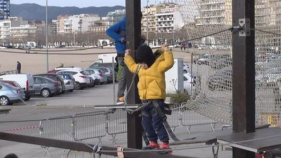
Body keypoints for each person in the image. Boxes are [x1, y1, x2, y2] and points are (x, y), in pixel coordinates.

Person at [124, 44, 174, 153]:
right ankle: (153, 142)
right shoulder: (140, 68)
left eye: (144, 63)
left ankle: (165, 143)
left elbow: (169, 63)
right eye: (140, 63)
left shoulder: (158, 66)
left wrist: (167, 51)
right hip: (145, 101)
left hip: (156, 101)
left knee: (157, 123)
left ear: (149, 60)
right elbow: (132, 66)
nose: (142, 66)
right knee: (146, 123)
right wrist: (127, 56)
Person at [106, 13, 142, 104]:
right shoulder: (123, 23)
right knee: (123, 76)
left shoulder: (134, 25)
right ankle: (120, 97)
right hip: (123, 54)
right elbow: (109, 31)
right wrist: (120, 38)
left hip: (132, 53)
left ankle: (139, 95)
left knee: (137, 74)